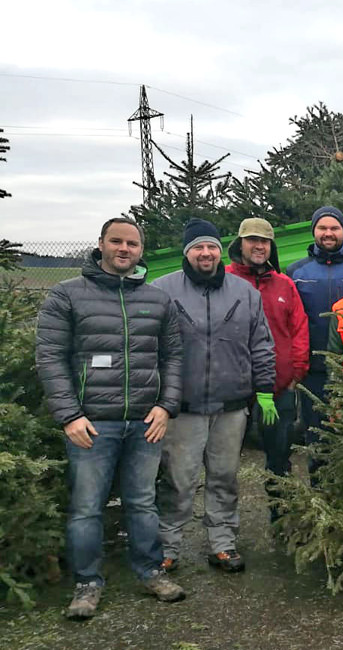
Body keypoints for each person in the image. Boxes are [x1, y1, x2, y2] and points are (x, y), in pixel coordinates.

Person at [36, 217, 187, 619]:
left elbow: (173, 357)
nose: (124, 249)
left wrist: (165, 406)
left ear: (141, 250)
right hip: (91, 425)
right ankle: (87, 583)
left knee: (143, 502)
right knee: (87, 506)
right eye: (116, 241)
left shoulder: (158, 301)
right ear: (100, 244)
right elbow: (50, 358)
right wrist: (69, 415)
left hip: (145, 423)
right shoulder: (66, 295)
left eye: (132, 243)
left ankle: (150, 570)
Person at [153, 218, 275, 574]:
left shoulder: (245, 293)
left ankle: (222, 543)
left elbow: (262, 344)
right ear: (186, 252)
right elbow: (150, 348)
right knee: (178, 479)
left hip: (231, 405)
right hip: (183, 407)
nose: (205, 253)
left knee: (224, 476)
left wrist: (264, 389)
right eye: (198, 247)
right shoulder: (163, 291)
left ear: (220, 251)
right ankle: (167, 546)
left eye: (211, 247)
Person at [225, 218, 309, 521]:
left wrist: (297, 371)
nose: (259, 246)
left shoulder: (284, 284)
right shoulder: (225, 280)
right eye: (252, 240)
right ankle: (225, 530)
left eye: (264, 241)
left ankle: (282, 517)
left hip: (278, 388)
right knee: (224, 463)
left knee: (280, 458)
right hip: (234, 391)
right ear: (240, 244)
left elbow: (299, 327)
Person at [286, 206, 343, 476]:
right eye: (322, 228)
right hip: (314, 370)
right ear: (314, 231)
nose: (328, 233)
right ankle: (320, 494)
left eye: (334, 228)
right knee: (316, 435)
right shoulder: (296, 271)